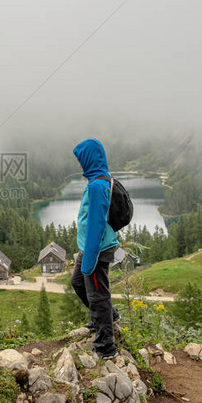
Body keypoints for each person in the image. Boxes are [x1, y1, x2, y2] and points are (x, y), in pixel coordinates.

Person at [70, 138, 120, 360]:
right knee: (78, 282)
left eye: (82, 160)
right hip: (89, 248)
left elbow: (96, 225)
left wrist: (89, 260)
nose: (80, 164)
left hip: (96, 250)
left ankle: (105, 346)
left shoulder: (98, 186)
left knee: (98, 295)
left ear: (90, 159)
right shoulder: (96, 181)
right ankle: (108, 316)